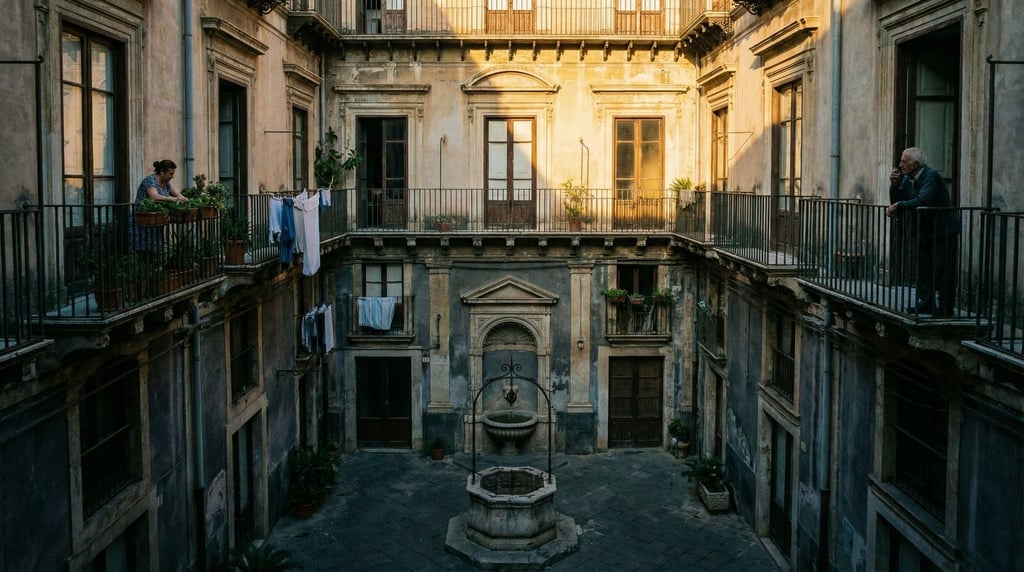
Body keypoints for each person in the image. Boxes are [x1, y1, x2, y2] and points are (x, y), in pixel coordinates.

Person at [886, 147, 959, 316]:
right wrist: (894, 185)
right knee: (924, 269)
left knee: (943, 270)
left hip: (942, 231)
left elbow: (923, 200)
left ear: (915, 164)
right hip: (924, 231)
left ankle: (945, 308)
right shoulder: (907, 178)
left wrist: (898, 206)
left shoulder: (930, 176)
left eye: (904, 161)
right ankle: (926, 303)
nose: (900, 165)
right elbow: (897, 199)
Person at [132, 159, 187, 252]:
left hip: (155, 221)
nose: (172, 176)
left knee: (155, 249)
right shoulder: (150, 180)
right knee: (143, 249)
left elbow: (177, 194)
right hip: (143, 220)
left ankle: (154, 266)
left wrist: (183, 198)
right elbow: (154, 197)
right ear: (162, 172)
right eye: (170, 173)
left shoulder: (166, 184)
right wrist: (173, 199)